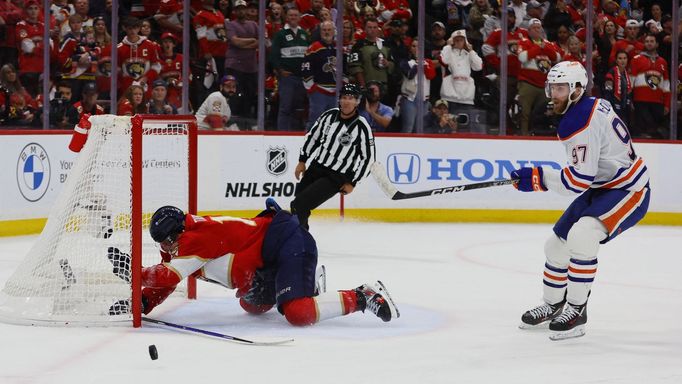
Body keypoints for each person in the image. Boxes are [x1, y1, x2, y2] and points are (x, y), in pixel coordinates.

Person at [513, 61, 650, 340]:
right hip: (603, 186)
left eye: (561, 89)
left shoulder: (578, 122)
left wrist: (538, 178)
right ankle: (553, 304)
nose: (553, 95)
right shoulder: (592, 104)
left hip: (629, 189)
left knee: (581, 236)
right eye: (552, 88)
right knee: (555, 246)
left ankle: (576, 310)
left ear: (577, 90)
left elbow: (577, 181)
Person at [107, 200, 399, 326]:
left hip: (289, 243)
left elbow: (168, 277)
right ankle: (306, 286)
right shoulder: (183, 240)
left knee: (297, 314)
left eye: (168, 242)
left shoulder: (196, 238)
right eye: (163, 244)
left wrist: (134, 274)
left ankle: (363, 295)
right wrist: (143, 302)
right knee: (252, 305)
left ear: (180, 232)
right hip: (269, 260)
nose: (166, 249)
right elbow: (169, 278)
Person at [291, 83, 375, 230]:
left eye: (351, 98)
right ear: (339, 99)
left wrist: (353, 182)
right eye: (344, 97)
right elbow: (313, 137)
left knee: (299, 205)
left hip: (336, 176)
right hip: (316, 167)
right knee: (298, 203)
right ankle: (302, 236)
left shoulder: (362, 127)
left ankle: (301, 240)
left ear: (357, 101)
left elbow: (368, 159)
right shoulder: (328, 116)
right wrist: (302, 160)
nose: (347, 101)